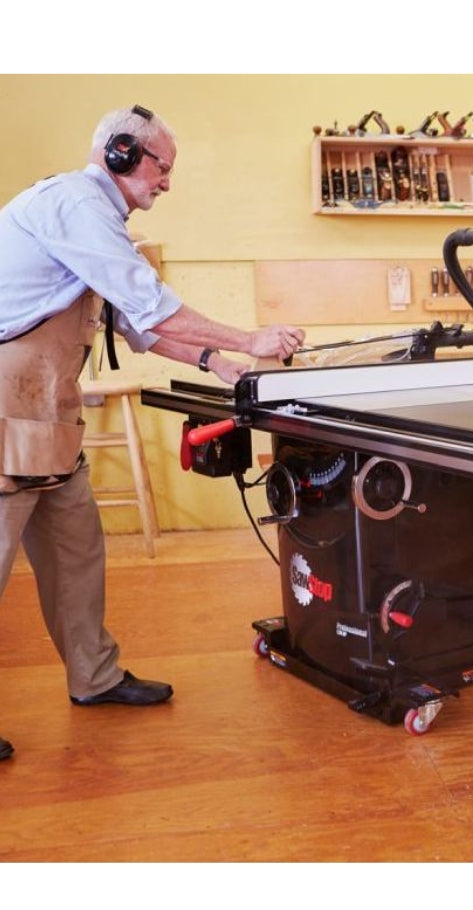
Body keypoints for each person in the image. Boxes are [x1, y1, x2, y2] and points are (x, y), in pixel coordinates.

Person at [0, 105, 306, 761]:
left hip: (48, 411)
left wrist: (215, 361)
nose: (167, 182)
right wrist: (249, 336)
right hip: (6, 408)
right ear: (119, 155)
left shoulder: (100, 225)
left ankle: (96, 676)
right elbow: (150, 301)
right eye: (161, 167)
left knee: (78, 555)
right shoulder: (74, 204)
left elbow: (135, 327)